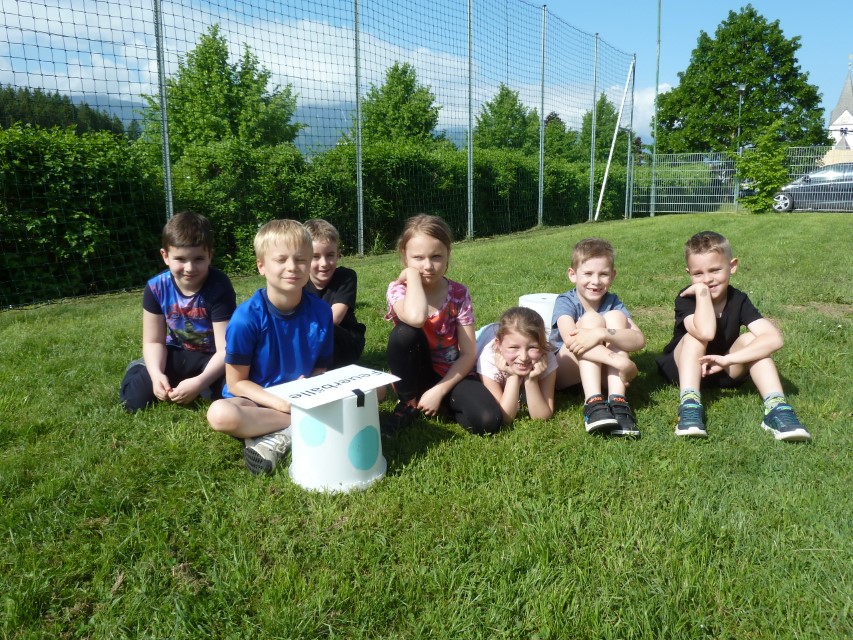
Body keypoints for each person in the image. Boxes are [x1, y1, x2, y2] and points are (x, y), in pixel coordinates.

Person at [206, 219, 334, 475]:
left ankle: (277, 434)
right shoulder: (246, 319)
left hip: (302, 395)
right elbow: (236, 383)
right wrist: (281, 403)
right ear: (261, 266)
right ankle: (297, 425)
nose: (292, 267)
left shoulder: (322, 312)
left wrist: (310, 385)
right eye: (281, 260)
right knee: (220, 414)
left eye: (301, 259)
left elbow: (321, 367)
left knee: (377, 392)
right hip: (256, 400)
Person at [656, 231, 811, 441]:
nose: (707, 279)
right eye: (698, 274)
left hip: (723, 369)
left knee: (752, 340)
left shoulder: (738, 299)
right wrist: (702, 294)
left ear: (732, 266)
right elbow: (706, 332)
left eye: (715, 270)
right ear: (689, 273)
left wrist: (728, 360)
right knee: (695, 337)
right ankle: (690, 404)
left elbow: (774, 339)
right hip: (683, 370)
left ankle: (777, 408)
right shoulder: (687, 298)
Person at [383, 214, 502, 436]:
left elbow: (468, 353)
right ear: (404, 257)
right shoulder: (398, 289)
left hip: (450, 373)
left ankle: (440, 401)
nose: (428, 266)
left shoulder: (458, 293)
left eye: (436, 256)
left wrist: (439, 391)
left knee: (489, 421)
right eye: (418, 258)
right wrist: (412, 276)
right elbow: (416, 318)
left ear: (448, 254)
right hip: (415, 374)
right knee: (404, 332)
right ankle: (409, 402)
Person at [120, 211, 236, 412]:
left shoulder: (219, 286)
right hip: (177, 351)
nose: (189, 268)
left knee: (230, 394)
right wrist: (156, 375)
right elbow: (153, 341)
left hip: (213, 356)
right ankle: (141, 367)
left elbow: (225, 349)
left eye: (198, 258)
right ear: (165, 256)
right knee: (134, 401)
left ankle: (199, 385)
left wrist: (199, 382)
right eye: (180, 259)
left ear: (210, 255)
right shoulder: (156, 287)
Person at [552, 238, 645, 437]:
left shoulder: (613, 302)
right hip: (565, 369)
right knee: (592, 319)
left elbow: (638, 340)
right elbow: (571, 341)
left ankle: (617, 401)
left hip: (600, 369)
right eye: (588, 274)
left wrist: (601, 333)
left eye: (603, 274)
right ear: (572, 275)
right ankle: (593, 403)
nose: (595, 281)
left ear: (613, 276)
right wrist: (620, 362)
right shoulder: (566, 301)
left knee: (615, 317)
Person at [476, 306, 557, 424]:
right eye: (514, 347)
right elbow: (504, 417)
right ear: (499, 345)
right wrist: (512, 377)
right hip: (481, 336)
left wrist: (531, 380)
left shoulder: (547, 357)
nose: (523, 357)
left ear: (542, 344)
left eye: (532, 347)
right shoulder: (488, 359)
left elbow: (542, 416)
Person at [303, 218, 366, 369]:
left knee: (326, 329)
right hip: (309, 341)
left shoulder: (346, 277)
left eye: (330, 255)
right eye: (315, 256)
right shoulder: (299, 283)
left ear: (338, 255)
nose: (324, 263)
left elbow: (333, 319)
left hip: (345, 341)